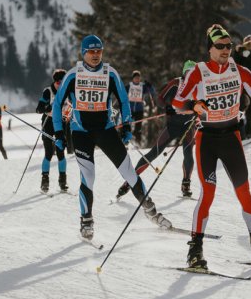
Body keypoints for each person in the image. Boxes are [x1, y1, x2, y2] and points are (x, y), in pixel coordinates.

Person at [173, 24, 251, 269]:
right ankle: (195, 249)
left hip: (231, 138)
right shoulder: (198, 72)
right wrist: (196, 105)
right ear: (210, 49)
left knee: (244, 192)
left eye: (229, 46)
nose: (225, 50)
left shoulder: (239, 71)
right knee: (208, 193)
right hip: (207, 139)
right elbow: (178, 102)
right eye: (220, 46)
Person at [52, 35, 170, 240]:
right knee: (88, 177)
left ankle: (150, 210)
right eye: (91, 51)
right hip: (81, 133)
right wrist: (59, 133)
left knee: (129, 173)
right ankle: (86, 220)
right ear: (83, 53)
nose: (96, 55)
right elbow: (57, 105)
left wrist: (126, 126)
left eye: (99, 51)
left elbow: (124, 102)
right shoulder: (73, 75)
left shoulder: (110, 74)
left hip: (105, 130)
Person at [116, 60, 198, 200]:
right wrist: (168, 106)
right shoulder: (176, 83)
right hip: (172, 126)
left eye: (194, 73)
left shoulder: (199, 86)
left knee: (189, 154)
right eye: (188, 72)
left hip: (188, 125)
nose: (191, 75)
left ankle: (186, 184)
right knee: (154, 153)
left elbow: (205, 104)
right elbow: (160, 99)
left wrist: (198, 112)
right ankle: (129, 181)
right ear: (184, 73)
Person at [36, 69, 69, 193]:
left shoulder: (67, 91)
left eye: (63, 82)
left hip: (61, 123)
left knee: (61, 152)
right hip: (48, 122)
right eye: (59, 82)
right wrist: (46, 107)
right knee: (48, 152)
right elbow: (38, 109)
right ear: (55, 81)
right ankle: (45, 181)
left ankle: (63, 181)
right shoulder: (47, 91)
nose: (61, 85)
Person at [126, 70, 156, 144]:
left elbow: (152, 91)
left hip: (139, 109)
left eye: (138, 78)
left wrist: (149, 85)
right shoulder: (129, 86)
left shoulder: (143, 86)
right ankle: (125, 139)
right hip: (129, 108)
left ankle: (137, 141)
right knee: (127, 124)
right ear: (132, 78)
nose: (137, 79)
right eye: (135, 78)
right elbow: (122, 92)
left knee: (138, 126)